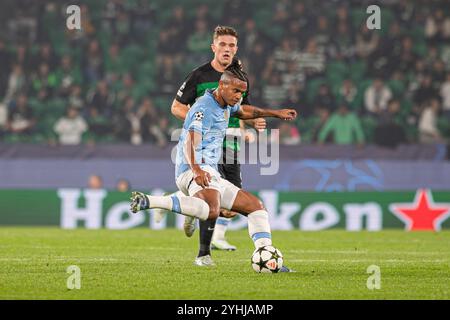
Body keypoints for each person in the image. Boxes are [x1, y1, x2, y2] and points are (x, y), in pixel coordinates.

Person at [130, 63, 297, 270]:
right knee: (212, 208)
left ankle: (268, 256)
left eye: (242, 92)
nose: (239, 96)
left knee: (256, 207)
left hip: (211, 171)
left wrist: (275, 113)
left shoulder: (225, 103)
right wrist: (197, 170)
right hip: (191, 169)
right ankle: (155, 205)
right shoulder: (203, 109)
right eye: (236, 91)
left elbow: (244, 110)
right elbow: (191, 142)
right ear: (222, 85)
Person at [170, 26, 266, 254]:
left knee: (231, 208)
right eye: (222, 44)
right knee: (211, 193)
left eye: (231, 45)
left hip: (231, 143)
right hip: (205, 146)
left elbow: (241, 109)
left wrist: (254, 121)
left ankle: (194, 210)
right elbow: (176, 107)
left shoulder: (239, 78)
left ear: (236, 49)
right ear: (214, 47)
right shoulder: (198, 75)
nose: (227, 49)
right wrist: (204, 124)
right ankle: (209, 237)